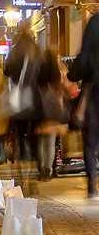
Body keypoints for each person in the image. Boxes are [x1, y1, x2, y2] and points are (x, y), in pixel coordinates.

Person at [3, 25, 42, 174]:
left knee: (19, 132)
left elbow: (6, 71)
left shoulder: (15, 50)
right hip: (35, 99)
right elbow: (44, 73)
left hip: (18, 99)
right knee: (34, 135)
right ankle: (36, 166)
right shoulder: (37, 50)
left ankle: (21, 164)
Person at [69, 13, 99, 199]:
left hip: (94, 93)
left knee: (90, 141)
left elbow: (77, 70)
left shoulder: (95, 22)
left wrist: (73, 74)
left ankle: (91, 186)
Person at [35, 49, 70, 182]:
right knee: (50, 141)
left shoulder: (40, 70)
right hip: (54, 109)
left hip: (41, 108)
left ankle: (42, 167)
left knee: (41, 141)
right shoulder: (57, 71)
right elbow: (65, 86)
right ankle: (48, 169)